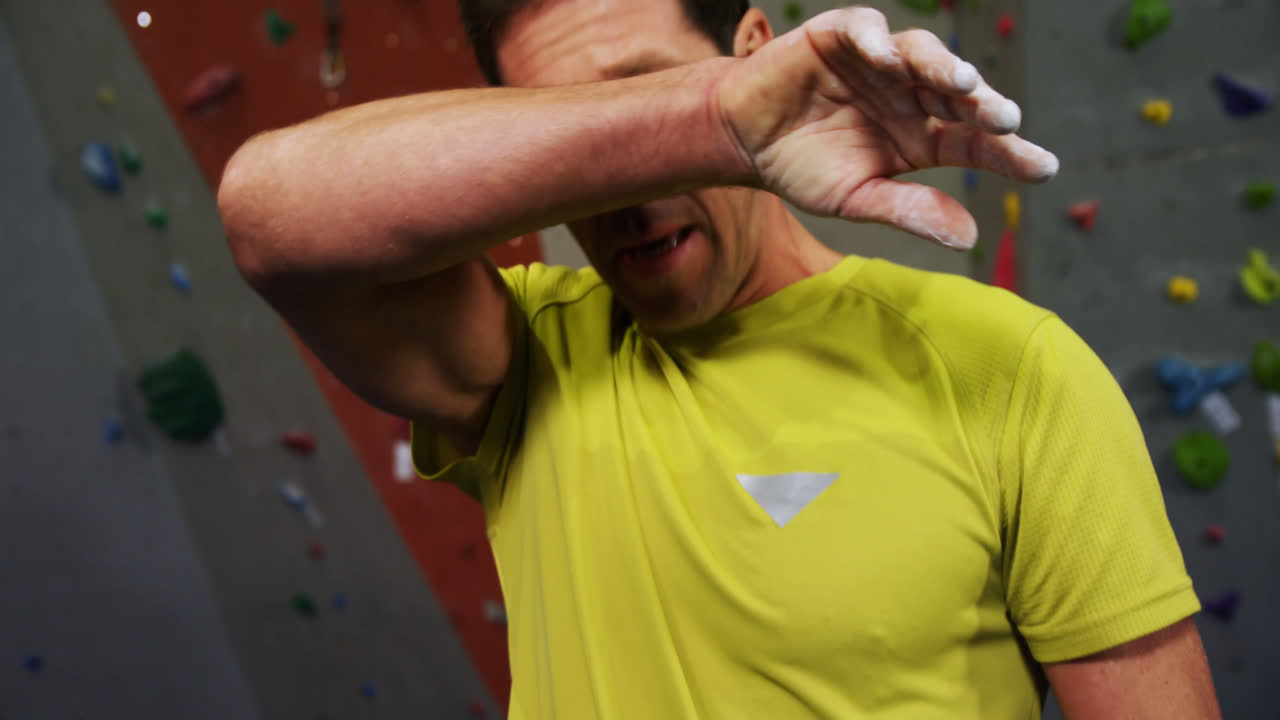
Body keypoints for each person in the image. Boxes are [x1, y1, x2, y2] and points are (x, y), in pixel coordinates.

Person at [217, 1, 1221, 717]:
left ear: (753, 51)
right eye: (583, 131)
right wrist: (701, 123)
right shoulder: (525, 361)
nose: (626, 192)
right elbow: (269, 215)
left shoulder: (1005, 366)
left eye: (645, 91)